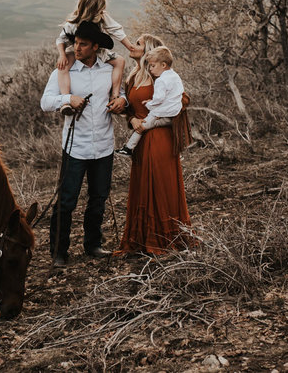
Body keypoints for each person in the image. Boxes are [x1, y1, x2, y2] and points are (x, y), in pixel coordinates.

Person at [40, 20, 127, 267]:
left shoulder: (108, 70)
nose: (76, 48)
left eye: (83, 44)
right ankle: (58, 252)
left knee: (98, 197)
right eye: (75, 43)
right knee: (66, 200)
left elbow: (121, 95)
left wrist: (122, 102)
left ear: (95, 47)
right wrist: (68, 99)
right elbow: (45, 102)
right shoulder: (63, 70)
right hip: (75, 147)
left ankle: (93, 244)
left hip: (103, 145)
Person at [114, 34, 195, 256]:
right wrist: (132, 120)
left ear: (148, 50)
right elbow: (130, 108)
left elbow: (183, 99)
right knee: (142, 185)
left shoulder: (161, 76)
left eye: (138, 43)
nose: (133, 45)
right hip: (141, 136)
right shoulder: (133, 76)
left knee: (161, 185)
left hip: (159, 137)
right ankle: (140, 240)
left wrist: (159, 115)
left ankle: (165, 238)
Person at [55, 0, 143, 111]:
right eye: (100, 8)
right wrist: (62, 55)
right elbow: (60, 40)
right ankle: (66, 100)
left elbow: (115, 29)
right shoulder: (73, 23)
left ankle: (115, 95)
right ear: (91, 7)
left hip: (96, 49)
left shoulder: (102, 17)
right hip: (74, 49)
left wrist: (129, 46)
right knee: (63, 67)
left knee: (120, 61)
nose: (102, 11)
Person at [115, 46, 182, 156]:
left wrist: (149, 103)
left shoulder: (160, 80)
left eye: (153, 66)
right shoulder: (175, 76)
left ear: (163, 65)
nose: (150, 69)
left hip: (162, 114)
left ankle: (128, 148)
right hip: (173, 115)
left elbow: (159, 98)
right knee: (150, 124)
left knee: (142, 126)